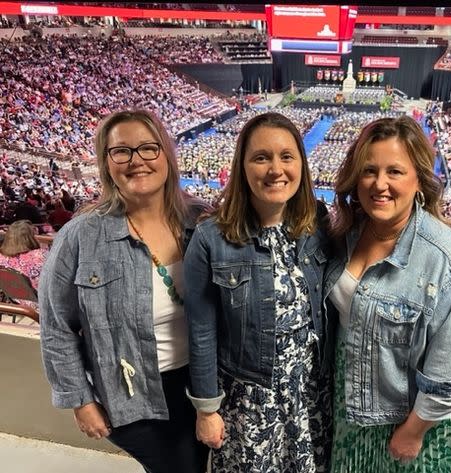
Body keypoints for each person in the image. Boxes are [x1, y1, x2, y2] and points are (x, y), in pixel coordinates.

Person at [38, 110, 209, 473]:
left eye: (148, 148)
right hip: (133, 396)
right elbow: (56, 326)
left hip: (205, 384)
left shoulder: (200, 221)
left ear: (167, 155)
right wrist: (80, 400)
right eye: (122, 152)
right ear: (106, 163)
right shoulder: (80, 236)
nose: (136, 161)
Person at [325, 116, 451, 472]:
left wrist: (414, 429)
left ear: (419, 180)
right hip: (350, 405)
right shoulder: (346, 233)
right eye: (369, 170)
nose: (379, 184)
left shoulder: (449, 262)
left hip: (409, 422)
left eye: (394, 171)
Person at [185, 112, 333, 472]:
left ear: (301, 163)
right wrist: (207, 409)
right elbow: (201, 331)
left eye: (286, 156)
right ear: (243, 166)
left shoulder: (317, 222)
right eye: (261, 157)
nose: (275, 169)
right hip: (248, 402)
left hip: (311, 395)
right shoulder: (210, 238)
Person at [0, 219, 48, 292]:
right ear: (31, 237)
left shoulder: (1, 257)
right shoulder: (40, 255)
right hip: (39, 300)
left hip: (14, 299)